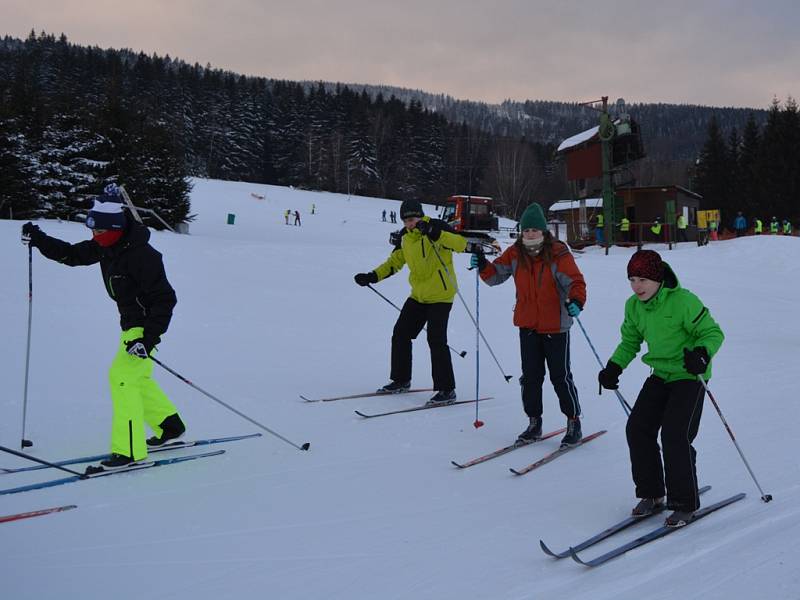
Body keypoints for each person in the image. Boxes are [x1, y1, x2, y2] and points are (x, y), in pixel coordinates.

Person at [20, 184, 185, 474]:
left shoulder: (143, 256)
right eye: (92, 232)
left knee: (122, 377)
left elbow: (165, 299)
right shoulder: (107, 246)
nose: (94, 237)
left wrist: (148, 339)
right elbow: (72, 255)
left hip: (144, 327)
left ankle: (131, 451)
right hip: (129, 325)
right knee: (138, 378)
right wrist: (39, 239)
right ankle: (169, 426)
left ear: (116, 228)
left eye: (99, 232)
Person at [598, 250, 724, 528]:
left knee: (675, 434)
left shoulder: (683, 301)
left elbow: (713, 332)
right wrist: (614, 367)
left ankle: (684, 503)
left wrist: (702, 353)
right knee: (638, 428)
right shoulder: (634, 306)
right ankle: (652, 493)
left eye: (642, 279)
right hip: (661, 374)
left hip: (690, 377)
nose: (636, 286)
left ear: (657, 279)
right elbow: (630, 342)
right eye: (631, 279)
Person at [472, 202, 586, 448]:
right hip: (528, 325)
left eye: (534, 230)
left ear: (544, 231)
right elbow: (494, 276)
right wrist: (482, 264)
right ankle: (534, 422)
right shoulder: (515, 253)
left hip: (556, 325)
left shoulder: (557, 252)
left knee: (560, 377)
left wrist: (576, 300)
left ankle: (574, 421)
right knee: (531, 377)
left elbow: (575, 281)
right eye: (526, 230)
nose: (530, 234)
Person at [354, 199, 468, 406]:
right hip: (418, 296)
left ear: (420, 215)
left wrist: (435, 233)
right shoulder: (405, 238)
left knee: (436, 340)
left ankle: (447, 389)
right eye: (406, 220)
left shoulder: (436, 226)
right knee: (400, 334)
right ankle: (400, 380)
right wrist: (372, 276)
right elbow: (394, 262)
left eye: (413, 219)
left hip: (441, 295)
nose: (410, 223)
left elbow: (461, 244)